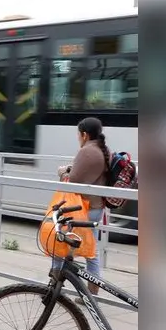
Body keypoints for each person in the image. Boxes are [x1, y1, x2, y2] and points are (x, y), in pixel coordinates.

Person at [55, 116, 109, 301]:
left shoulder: (87, 151)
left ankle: (54, 287)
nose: (78, 138)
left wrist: (63, 171)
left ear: (84, 135)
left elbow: (72, 183)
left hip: (83, 208)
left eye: (78, 134)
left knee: (59, 244)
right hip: (96, 207)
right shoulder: (101, 149)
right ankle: (92, 293)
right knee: (91, 250)